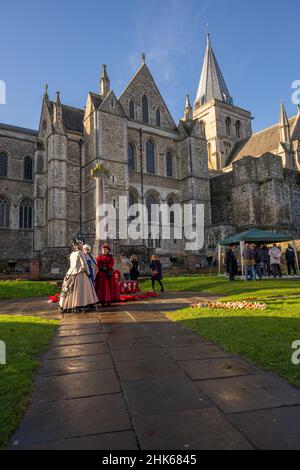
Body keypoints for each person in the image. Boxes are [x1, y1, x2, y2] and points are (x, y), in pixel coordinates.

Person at [59, 240, 98, 313]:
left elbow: (72, 265)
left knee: (70, 290)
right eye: (81, 244)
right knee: (80, 291)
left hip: (70, 273)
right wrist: (88, 273)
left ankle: (67, 304)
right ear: (79, 246)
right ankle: (80, 304)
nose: (82, 246)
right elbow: (84, 265)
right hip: (80, 274)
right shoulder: (80, 253)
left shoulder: (72, 254)